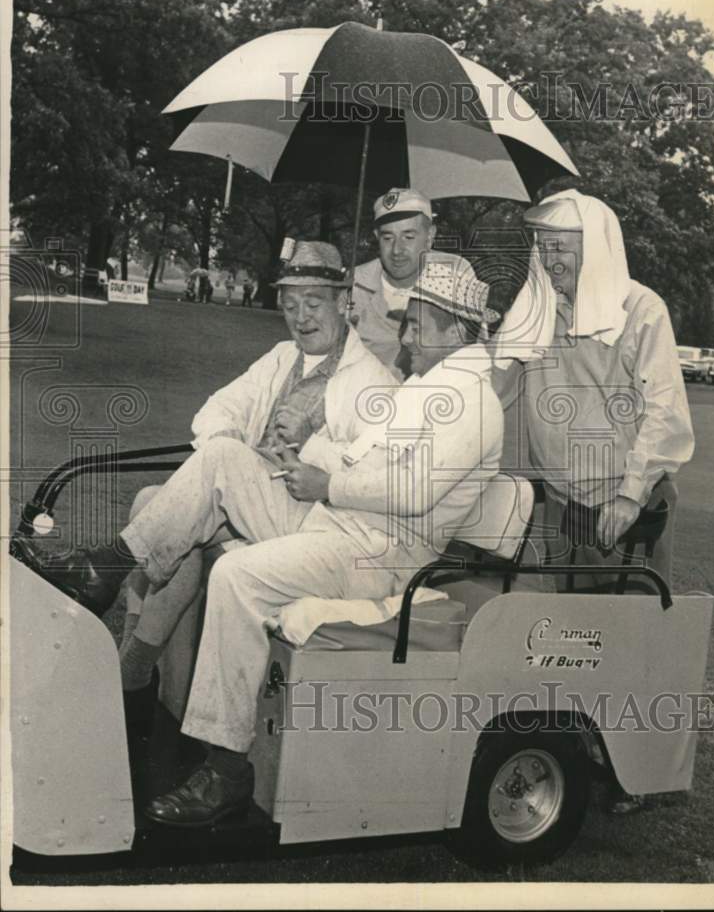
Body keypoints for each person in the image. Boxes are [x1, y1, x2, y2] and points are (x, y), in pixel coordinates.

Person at [133, 259, 508, 827]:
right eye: (406, 324)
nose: (404, 336)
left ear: (456, 332)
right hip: (337, 523)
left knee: (236, 573)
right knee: (222, 459)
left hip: (380, 553)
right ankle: (109, 565)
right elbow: (352, 453)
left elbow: (411, 493)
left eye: (417, 325)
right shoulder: (426, 389)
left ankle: (228, 768)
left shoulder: (471, 402)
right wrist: (309, 458)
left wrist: (327, 479)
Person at [16, 241, 397, 723]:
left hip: (319, 528)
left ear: (345, 303)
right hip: (255, 501)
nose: (301, 317)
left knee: (212, 470)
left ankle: (105, 579)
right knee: (154, 501)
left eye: (314, 303)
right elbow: (217, 410)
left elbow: (372, 482)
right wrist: (238, 451)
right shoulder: (283, 357)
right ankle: (133, 670)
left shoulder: (374, 384)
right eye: (290, 304)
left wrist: (312, 440)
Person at [519, 190, 695, 812]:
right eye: (542, 246)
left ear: (593, 248)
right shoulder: (537, 310)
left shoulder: (639, 308)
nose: (549, 258)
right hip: (563, 506)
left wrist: (626, 495)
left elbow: (665, 408)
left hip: (627, 509)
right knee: (571, 643)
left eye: (560, 246)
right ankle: (583, 757)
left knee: (632, 644)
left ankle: (637, 775)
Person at [352, 187, 468, 378]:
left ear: (430, 236)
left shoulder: (454, 274)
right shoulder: (355, 284)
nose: (397, 249)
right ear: (376, 237)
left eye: (408, 237)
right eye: (388, 238)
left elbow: (474, 352)